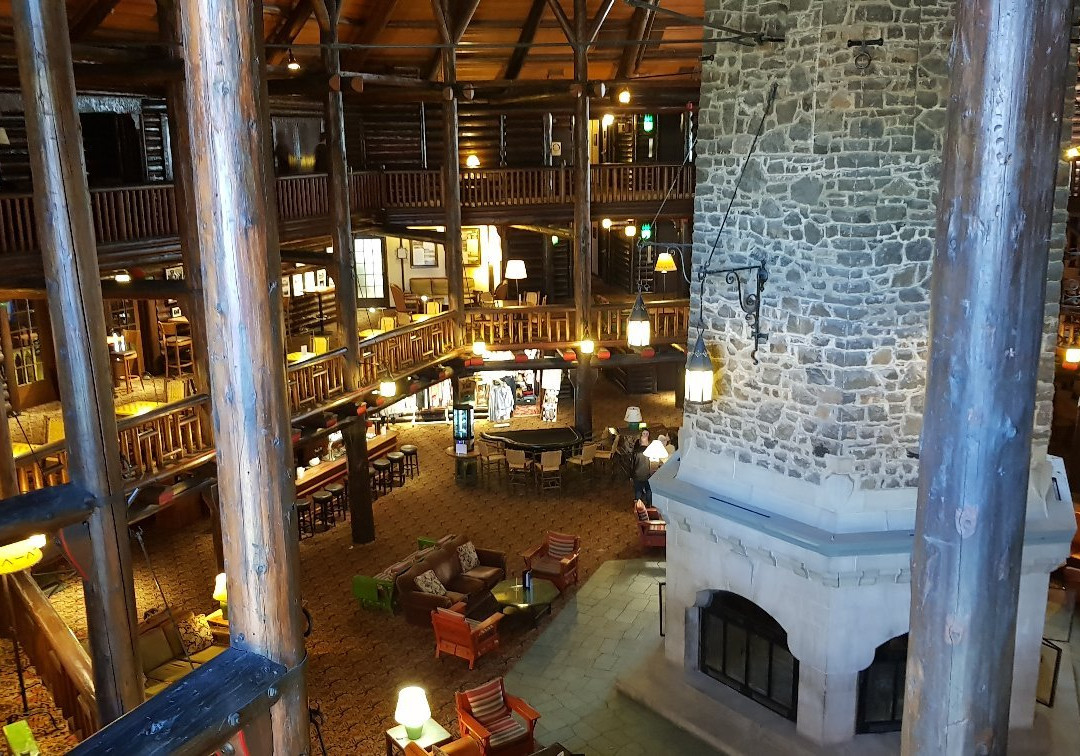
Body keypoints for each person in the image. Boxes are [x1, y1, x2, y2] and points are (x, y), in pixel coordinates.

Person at [631, 429, 653, 505]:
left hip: (637, 475)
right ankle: (649, 505)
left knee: (638, 491)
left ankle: (637, 506)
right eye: (644, 434)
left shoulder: (635, 452)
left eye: (647, 434)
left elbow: (632, 465)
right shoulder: (652, 452)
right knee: (648, 490)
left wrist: (631, 475)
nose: (645, 435)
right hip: (648, 475)